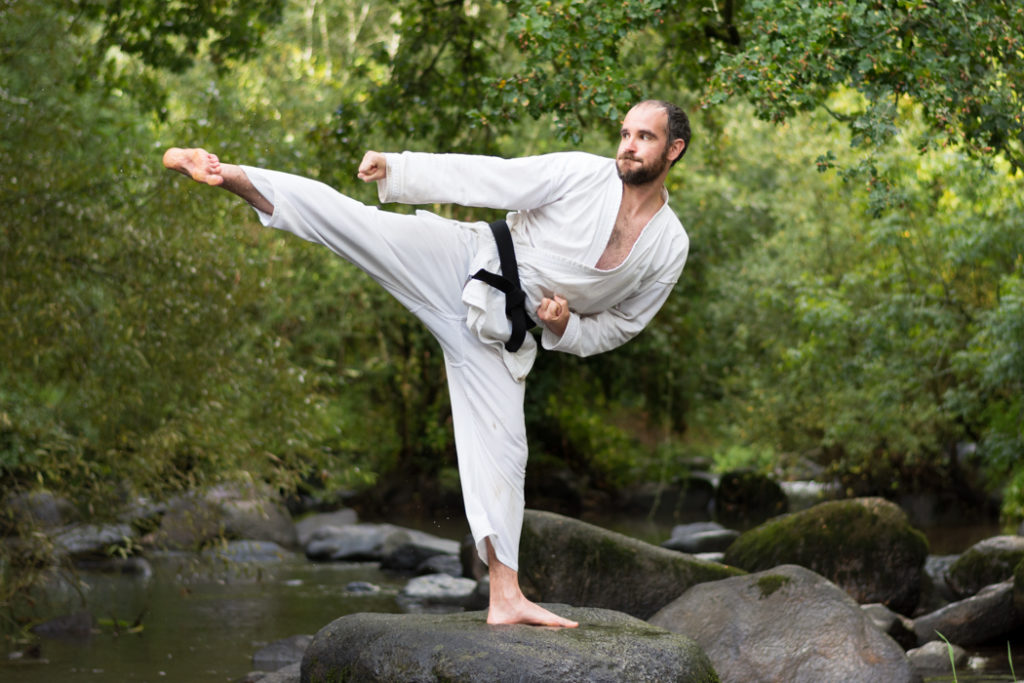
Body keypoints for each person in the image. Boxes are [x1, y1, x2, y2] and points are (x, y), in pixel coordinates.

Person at [163, 99, 691, 628]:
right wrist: (401, 169)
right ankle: (224, 172)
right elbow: (491, 177)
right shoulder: (582, 173)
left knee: (505, 454)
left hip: (500, 332)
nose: (627, 144)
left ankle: (504, 596)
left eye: (643, 136)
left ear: (673, 149)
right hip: (466, 262)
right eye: (624, 133)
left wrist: (564, 329)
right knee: (356, 226)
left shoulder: (669, 245)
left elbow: (623, 325)